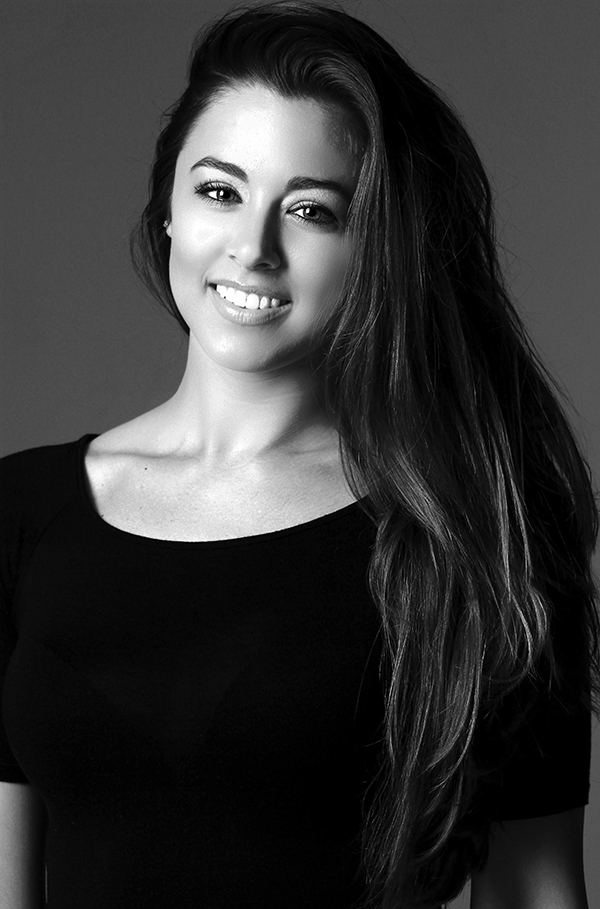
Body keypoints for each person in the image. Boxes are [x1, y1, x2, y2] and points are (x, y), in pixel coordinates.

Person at [0, 1, 598, 906]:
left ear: (376, 249)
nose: (254, 248)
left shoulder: (481, 532)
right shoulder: (20, 513)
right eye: (219, 192)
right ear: (168, 210)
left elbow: (536, 890)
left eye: (313, 210)